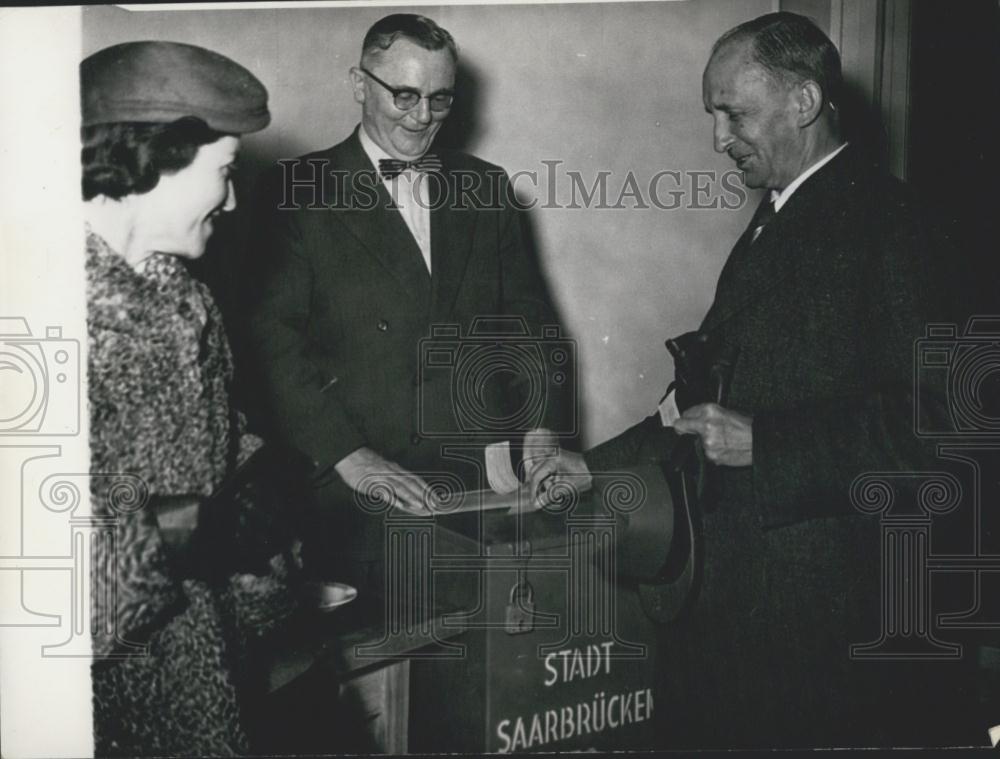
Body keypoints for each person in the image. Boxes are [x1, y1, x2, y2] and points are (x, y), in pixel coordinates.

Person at [527, 12, 971, 749]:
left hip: (827, 646)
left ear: (802, 101)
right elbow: (698, 407)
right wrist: (593, 465)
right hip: (737, 625)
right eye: (713, 114)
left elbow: (949, 430)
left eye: (733, 111)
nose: (717, 138)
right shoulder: (771, 224)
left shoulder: (901, 228)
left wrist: (770, 441)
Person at [246, 14, 564, 580]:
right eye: (405, 96)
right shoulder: (292, 191)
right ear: (359, 84)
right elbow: (271, 346)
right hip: (357, 487)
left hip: (479, 487)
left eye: (440, 100)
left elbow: (529, 325)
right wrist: (351, 458)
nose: (422, 118)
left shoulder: (488, 190)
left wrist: (539, 429)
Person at [82, 41, 302, 755]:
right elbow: (37, 597)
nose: (233, 200)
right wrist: (181, 533)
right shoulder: (37, 319)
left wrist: (265, 485)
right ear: (155, 160)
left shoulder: (185, 302)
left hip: (205, 676)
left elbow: (219, 455)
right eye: (224, 173)